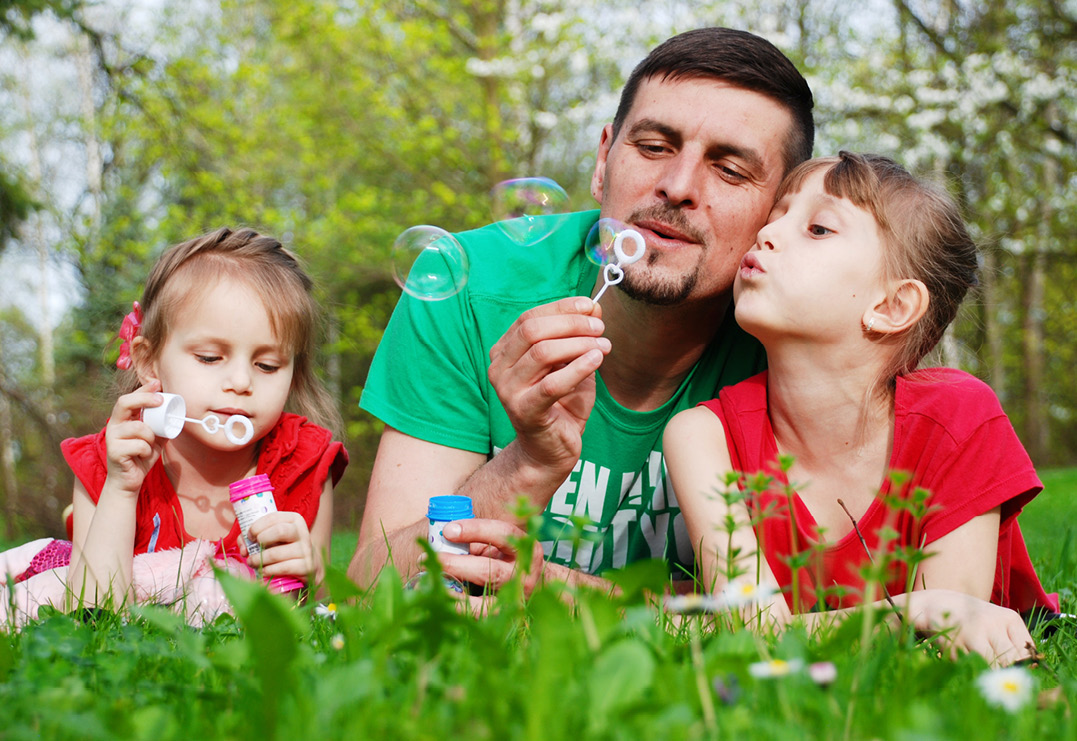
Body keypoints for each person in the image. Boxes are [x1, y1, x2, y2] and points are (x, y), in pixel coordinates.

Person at [350, 27, 815, 593]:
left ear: (779, 214)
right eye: (653, 147)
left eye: (730, 169)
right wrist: (528, 464)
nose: (677, 186)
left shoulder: (799, 339)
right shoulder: (464, 284)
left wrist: (568, 597)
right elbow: (369, 585)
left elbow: (792, 619)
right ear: (603, 160)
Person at [663, 152, 1057, 665]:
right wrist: (913, 609)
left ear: (892, 306)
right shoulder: (701, 435)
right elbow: (754, 628)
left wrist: (932, 612)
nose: (768, 233)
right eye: (775, 215)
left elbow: (950, 641)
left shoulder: (959, 417)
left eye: (818, 228)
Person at [46, 227, 348, 613]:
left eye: (268, 365)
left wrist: (313, 575)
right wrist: (121, 490)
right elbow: (92, 615)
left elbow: (322, 618)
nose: (241, 382)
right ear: (148, 361)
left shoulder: (303, 463)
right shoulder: (110, 461)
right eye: (209, 357)